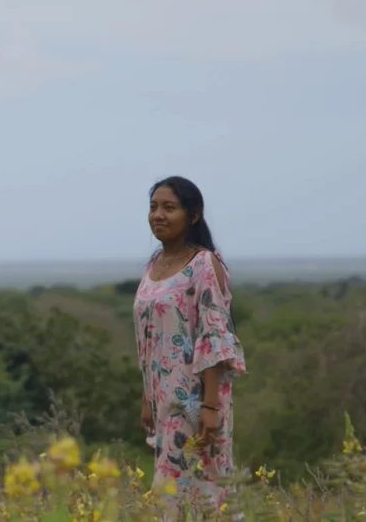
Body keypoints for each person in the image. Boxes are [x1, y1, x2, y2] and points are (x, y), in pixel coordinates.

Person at [132, 176, 246, 519]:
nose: (158, 215)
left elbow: (213, 336)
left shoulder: (203, 264)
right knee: (173, 492)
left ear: (193, 215)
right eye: (153, 207)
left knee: (206, 488)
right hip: (164, 401)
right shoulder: (154, 266)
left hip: (197, 401)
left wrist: (210, 407)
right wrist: (147, 398)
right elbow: (153, 338)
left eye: (170, 207)